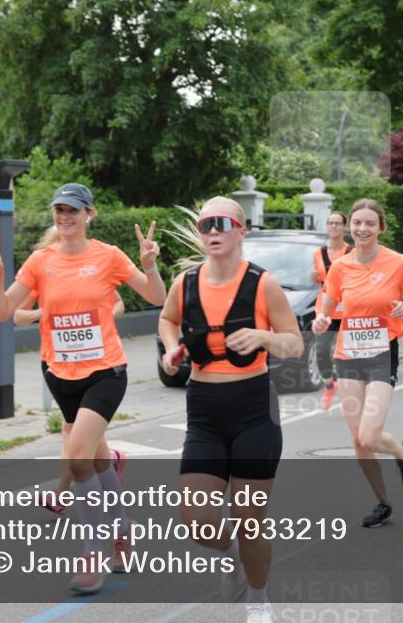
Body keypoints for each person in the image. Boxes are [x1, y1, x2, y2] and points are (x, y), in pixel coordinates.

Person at [0, 183, 166, 593]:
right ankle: (122, 529)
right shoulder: (40, 261)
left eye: (73, 210)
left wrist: (149, 265)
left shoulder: (108, 256)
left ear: (89, 215)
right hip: (60, 375)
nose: (65, 217)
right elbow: (0, 312)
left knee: (78, 458)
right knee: (97, 462)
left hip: (106, 372)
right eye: (59, 210)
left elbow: (156, 296)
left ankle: (91, 552)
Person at [158, 197, 303, 623]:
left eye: (222, 223)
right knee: (198, 521)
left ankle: (257, 599)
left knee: (249, 520)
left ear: (242, 230)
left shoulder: (263, 284)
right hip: (203, 412)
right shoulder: (185, 284)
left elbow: (294, 344)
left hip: (254, 411)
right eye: (205, 225)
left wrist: (262, 336)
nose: (213, 231)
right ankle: (238, 559)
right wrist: (172, 351)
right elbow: (167, 320)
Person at [311, 198, 403, 529]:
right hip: (348, 356)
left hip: (381, 354)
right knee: (358, 440)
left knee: (370, 433)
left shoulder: (398, 263)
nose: (362, 229)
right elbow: (327, 308)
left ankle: (401, 452)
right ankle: (382, 502)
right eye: (357, 223)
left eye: (369, 224)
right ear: (350, 227)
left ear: (381, 228)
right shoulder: (340, 267)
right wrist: (321, 321)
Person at [14, 226, 127, 518]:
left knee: (75, 439)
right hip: (57, 363)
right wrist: (44, 312)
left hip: (98, 363)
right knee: (76, 436)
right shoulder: (42, 268)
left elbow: (118, 302)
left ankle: (64, 495)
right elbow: (17, 315)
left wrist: (100, 315)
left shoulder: (95, 264)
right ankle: (108, 472)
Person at [309, 211, 351, 410]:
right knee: (322, 350)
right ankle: (329, 384)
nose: (334, 227)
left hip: (347, 308)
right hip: (324, 308)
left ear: (344, 227)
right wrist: (315, 277)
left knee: (347, 353)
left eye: (337, 223)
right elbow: (319, 278)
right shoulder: (318, 253)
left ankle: (351, 390)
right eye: (330, 223)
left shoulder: (351, 251)